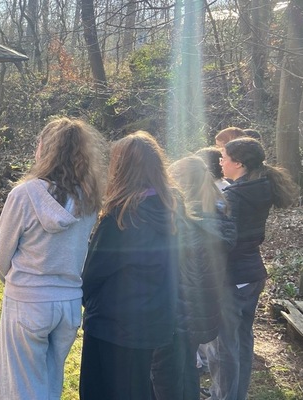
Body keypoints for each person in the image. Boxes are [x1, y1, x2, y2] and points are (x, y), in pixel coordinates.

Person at [0, 118, 106, 399]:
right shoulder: (89, 198)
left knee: (20, 385)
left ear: (43, 148)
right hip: (68, 303)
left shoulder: (23, 194)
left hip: (28, 299)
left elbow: (3, 255)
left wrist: (11, 280)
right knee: (50, 379)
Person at [79, 131, 179, 400]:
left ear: (120, 169)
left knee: (100, 390)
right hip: (152, 322)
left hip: (112, 324)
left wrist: (85, 299)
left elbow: (92, 273)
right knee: (137, 388)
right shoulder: (170, 210)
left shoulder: (121, 217)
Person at [206, 137, 298, 400]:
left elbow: (225, 242)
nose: (220, 162)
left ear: (239, 163)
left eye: (224, 157)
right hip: (252, 273)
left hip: (233, 276)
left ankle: (225, 396)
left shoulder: (233, 196)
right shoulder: (261, 184)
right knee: (242, 339)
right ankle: (235, 394)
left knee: (224, 345)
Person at [150, 156, 236, 400]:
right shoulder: (219, 215)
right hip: (203, 312)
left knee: (164, 375)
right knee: (186, 369)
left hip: (178, 314)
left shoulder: (186, 222)